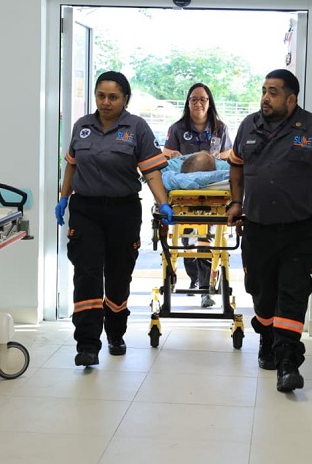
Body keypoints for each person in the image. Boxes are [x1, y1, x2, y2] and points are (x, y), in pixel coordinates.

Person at [226, 69, 312, 392]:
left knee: (293, 294)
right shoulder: (247, 127)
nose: (265, 98)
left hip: (299, 231)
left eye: (274, 92)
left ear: (291, 99)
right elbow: (236, 164)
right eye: (264, 91)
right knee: (261, 292)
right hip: (257, 228)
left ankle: (288, 363)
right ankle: (267, 339)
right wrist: (235, 203)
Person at [55, 71, 174, 367]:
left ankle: (116, 332)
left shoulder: (137, 128)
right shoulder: (82, 126)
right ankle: (87, 343)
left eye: (113, 97)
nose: (105, 102)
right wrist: (64, 196)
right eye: (101, 96)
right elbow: (71, 164)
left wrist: (163, 203)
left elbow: (151, 171)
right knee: (87, 274)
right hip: (86, 210)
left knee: (119, 275)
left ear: (125, 99)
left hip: (123, 210)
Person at [162, 83, 232, 306]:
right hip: (185, 190)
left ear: (209, 102)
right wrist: (174, 154)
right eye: (194, 99)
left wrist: (217, 156)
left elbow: (230, 154)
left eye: (203, 99)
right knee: (187, 236)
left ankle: (204, 286)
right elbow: (168, 158)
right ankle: (195, 280)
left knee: (206, 238)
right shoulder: (177, 129)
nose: (198, 103)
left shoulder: (220, 128)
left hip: (212, 190)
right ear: (188, 102)